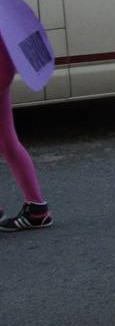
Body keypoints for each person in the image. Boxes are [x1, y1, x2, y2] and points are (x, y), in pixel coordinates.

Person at [0, 39, 51, 232]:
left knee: (7, 141)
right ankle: (37, 210)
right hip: (3, 65)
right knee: (7, 141)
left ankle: (37, 211)